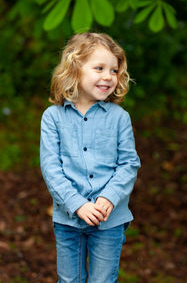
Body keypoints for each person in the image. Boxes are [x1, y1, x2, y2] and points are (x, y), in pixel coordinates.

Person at [40, 32, 141, 283]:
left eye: (114, 70)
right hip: (68, 221)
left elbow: (129, 164)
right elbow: (51, 167)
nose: (108, 76)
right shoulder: (53, 117)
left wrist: (109, 197)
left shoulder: (119, 118)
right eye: (99, 68)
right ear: (75, 68)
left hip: (109, 221)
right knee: (69, 280)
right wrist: (78, 204)